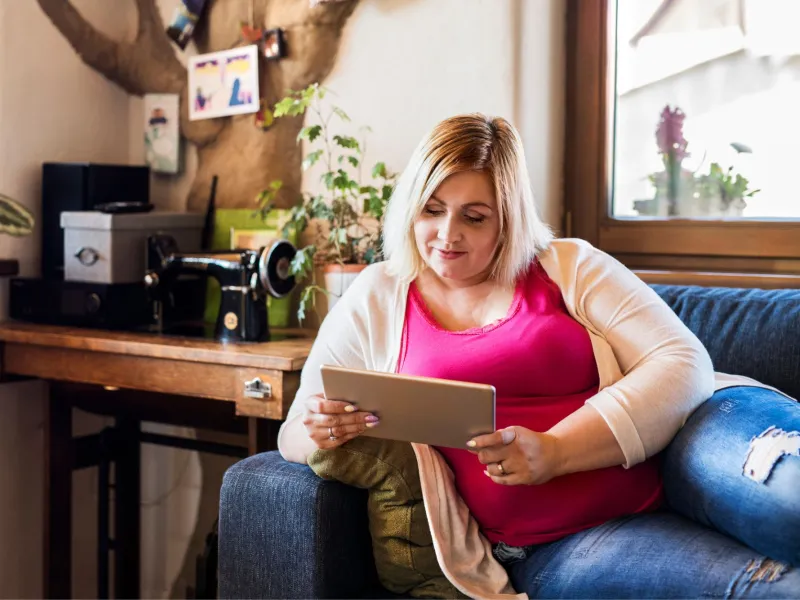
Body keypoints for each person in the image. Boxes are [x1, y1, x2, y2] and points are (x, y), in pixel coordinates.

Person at [278, 114, 800, 598]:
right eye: (432, 209)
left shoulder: (567, 264)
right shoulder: (376, 296)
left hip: (688, 443)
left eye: (474, 217)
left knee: (789, 498)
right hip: (558, 545)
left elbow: (684, 363)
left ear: (507, 220)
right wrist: (324, 429)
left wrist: (555, 450)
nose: (448, 234)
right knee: (766, 589)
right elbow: (293, 431)